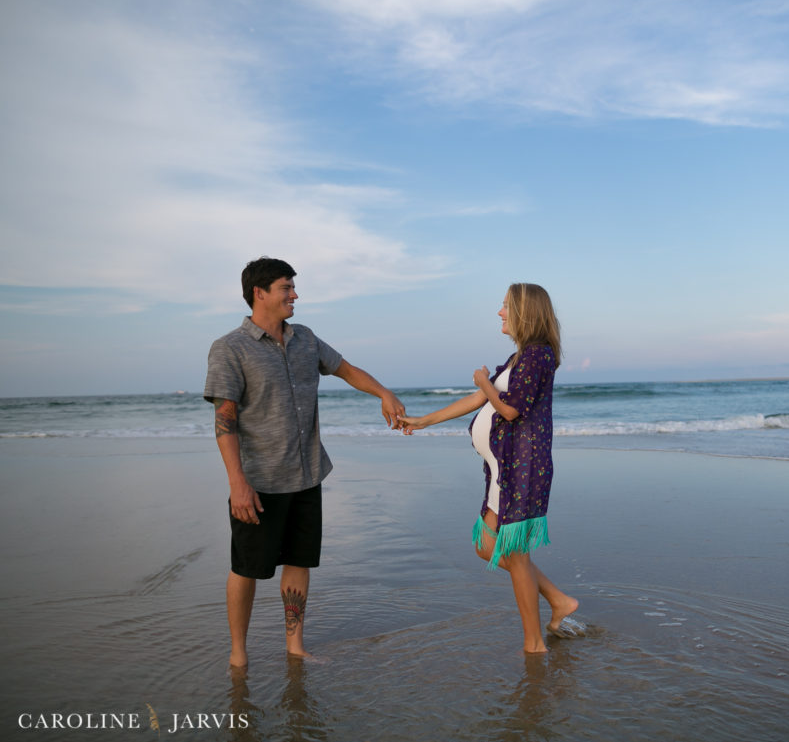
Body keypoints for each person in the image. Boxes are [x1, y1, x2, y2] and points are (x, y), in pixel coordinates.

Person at [204, 257, 405, 667]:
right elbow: (224, 420)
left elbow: (346, 369)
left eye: (293, 287)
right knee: (247, 568)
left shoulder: (306, 339)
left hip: (307, 474)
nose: (295, 295)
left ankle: (295, 646)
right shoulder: (229, 348)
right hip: (258, 481)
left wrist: (384, 392)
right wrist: (236, 482)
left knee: (299, 562)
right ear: (260, 293)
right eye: (286, 287)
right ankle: (238, 654)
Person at [400, 283, 582, 653]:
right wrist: (423, 420)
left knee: (513, 554)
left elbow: (511, 409)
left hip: (521, 471)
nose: (500, 313)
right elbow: (479, 399)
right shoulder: (519, 357)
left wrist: (484, 380)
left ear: (525, 312)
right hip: (504, 470)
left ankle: (534, 644)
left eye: (505, 307)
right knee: (488, 547)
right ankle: (558, 600)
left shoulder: (538, 356)